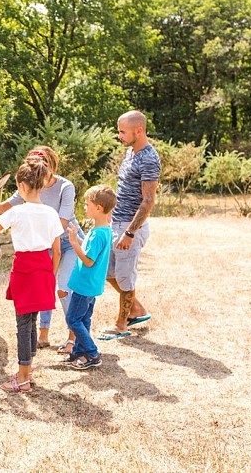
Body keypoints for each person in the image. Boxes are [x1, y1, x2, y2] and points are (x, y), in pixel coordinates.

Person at [0, 159, 63, 392]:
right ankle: (28, 371)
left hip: (24, 270)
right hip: (43, 269)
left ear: (21, 186)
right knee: (33, 321)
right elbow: (57, 250)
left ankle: (22, 378)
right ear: (43, 185)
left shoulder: (16, 211)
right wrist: (51, 273)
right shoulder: (50, 213)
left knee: (23, 324)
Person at [0, 146, 83, 354]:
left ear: (50, 165)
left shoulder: (65, 186)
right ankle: (43, 333)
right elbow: (6, 206)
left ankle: (73, 337)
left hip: (68, 242)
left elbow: (61, 222)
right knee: (42, 286)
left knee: (62, 287)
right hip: (47, 242)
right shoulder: (30, 184)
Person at [99, 110, 161, 340]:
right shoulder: (130, 153)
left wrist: (130, 232)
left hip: (130, 227)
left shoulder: (149, 159)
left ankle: (121, 325)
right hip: (116, 221)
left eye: (122, 131)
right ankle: (137, 309)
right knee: (107, 271)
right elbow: (124, 190)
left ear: (139, 130)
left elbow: (148, 200)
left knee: (125, 277)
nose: (119, 135)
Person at [64, 185, 116, 369]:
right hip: (91, 285)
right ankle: (79, 352)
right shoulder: (104, 231)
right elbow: (87, 248)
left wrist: (72, 243)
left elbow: (87, 260)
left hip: (84, 285)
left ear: (98, 208)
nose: (84, 207)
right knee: (84, 319)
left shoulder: (96, 234)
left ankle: (93, 353)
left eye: (87, 204)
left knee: (73, 320)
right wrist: (76, 237)